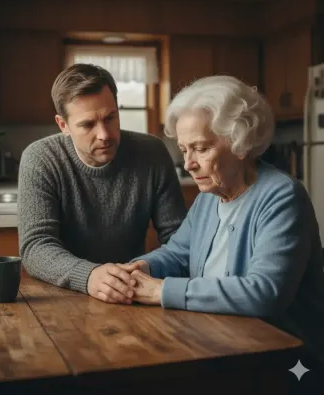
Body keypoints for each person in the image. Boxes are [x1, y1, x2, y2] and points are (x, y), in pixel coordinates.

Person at [121, 75, 324, 373]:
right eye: (184, 148)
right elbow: (178, 253)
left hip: (284, 364)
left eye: (201, 148)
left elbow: (264, 292)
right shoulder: (210, 196)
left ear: (241, 143)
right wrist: (138, 269)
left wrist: (160, 291)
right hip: (221, 344)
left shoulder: (282, 197)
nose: (189, 163)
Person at [17, 63, 187, 305]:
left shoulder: (152, 153)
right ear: (63, 125)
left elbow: (179, 238)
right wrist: (89, 276)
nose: (105, 134)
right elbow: (36, 247)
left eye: (111, 118)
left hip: (133, 291)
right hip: (63, 297)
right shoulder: (41, 158)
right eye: (88, 125)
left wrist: (144, 267)